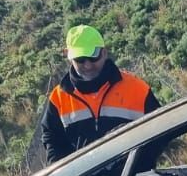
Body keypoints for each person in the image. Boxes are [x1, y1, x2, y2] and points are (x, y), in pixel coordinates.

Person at [37, 25, 158, 166]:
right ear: (69, 57)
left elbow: (160, 132)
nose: (87, 65)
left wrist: (139, 163)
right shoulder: (59, 98)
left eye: (93, 58)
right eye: (80, 59)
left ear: (104, 53)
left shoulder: (137, 89)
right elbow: (52, 140)